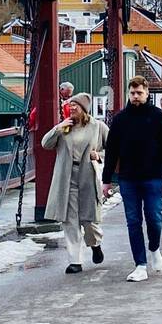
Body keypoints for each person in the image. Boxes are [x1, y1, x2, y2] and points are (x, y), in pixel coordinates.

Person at [102, 76, 162, 282]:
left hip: (152, 176)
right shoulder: (120, 119)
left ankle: (154, 247)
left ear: (147, 94)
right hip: (128, 178)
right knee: (133, 221)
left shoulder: (158, 117)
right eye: (132, 93)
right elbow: (111, 151)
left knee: (154, 218)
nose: (136, 97)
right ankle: (140, 265)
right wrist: (106, 179)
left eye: (139, 93)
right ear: (129, 93)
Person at [40, 93, 107, 274]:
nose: (72, 108)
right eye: (70, 105)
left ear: (84, 108)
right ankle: (75, 261)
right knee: (70, 221)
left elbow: (114, 148)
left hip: (87, 176)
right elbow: (45, 143)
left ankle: (95, 244)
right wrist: (58, 128)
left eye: (76, 105)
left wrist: (99, 156)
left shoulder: (97, 127)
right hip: (66, 178)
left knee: (88, 220)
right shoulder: (65, 127)